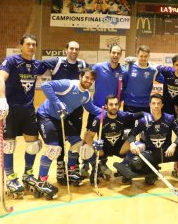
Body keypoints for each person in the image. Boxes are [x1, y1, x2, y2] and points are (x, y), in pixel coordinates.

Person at [0, 34, 48, 197]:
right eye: (28, 44)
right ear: (21, 46)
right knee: (9, 146)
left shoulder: (38, 65)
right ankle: (11, 177)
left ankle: (28, 174)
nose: (31, 47)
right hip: (11, 110)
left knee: (33, 146)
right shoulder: (11, 61)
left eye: (34, 45)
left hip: (28, 110)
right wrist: (2, 99)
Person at [35, 68, 102, 198]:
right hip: (46, 116)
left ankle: (71, 171)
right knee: (53, 149)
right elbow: (45, 85)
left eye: (92, 79)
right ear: (81, 76)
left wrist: (109, 112)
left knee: (78, 144)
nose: (89, 81)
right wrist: (57, 102)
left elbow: (92, 109)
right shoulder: (69, 84)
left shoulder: (86, 95)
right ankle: (41, 182)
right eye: (87, 78)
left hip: (61, 120)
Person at [42, 41, 89, 185]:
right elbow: (36, 65)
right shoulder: (57, 62)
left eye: (77, 49)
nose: (74, 51)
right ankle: (60, 169)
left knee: (75, 140)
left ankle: (72, 169)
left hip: (76, 111)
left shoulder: (83, 64)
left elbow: (96, 73)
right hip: (60, 110)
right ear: (66, 50)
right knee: (59, 143)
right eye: (71, 48)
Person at [82, 44, 127, 177]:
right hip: (96, 110)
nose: (115, 55)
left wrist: (118, 105)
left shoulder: (123, 72)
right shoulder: (98, 67)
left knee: (105, 138)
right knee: (88, 135)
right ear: (109, 53)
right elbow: (86, 80)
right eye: (113, 52)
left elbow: (123, 91)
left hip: (111, 112)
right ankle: (84, 163)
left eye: (118, 53)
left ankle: (102, 163)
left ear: (120, 55)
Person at [81, 95, 143, 184]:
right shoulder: (99, 119)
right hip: (103, 148)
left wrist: (151, 113)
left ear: (119, 105)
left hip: (118, 147)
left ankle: (125, 167)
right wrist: (95, 145)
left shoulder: (124, 116)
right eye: (111, 104)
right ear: (106, 106)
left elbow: (138, 115)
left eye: (116, 104)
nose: (114, 107)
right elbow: (88, 137)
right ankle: (95, 168)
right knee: (86, 146)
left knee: (138, 146)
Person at [127, 93, 178, 185]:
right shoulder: (144, 121)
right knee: (136, 163)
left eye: (158, 103)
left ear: (162, 105)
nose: (156, 106)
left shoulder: (169, 118)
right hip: (152, 154)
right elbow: (131, 134)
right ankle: (152, 170)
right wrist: (132, 144)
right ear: (150, 104)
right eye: (153, 103)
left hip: (168, 153)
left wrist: (174, 145)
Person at [123, 45, 163, 113]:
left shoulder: (153, 70)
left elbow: (165, 80)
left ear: (149, 56)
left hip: (145, 106)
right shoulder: (129, 66)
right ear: (137, 55)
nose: (143, 58)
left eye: (145, 56)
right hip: (129, 104)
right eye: (141, 56)